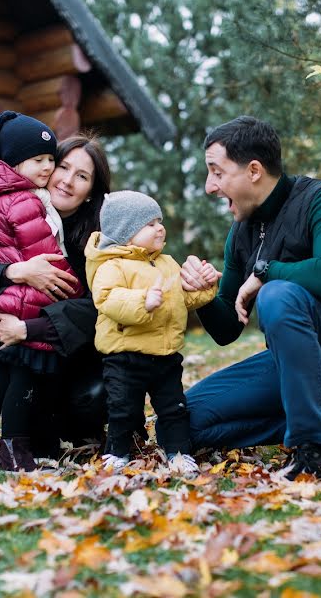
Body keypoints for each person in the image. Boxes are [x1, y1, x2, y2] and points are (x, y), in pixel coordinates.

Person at [180, 116, 321, 480]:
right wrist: (203, 297)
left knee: (280, 293)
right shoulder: (240, 232)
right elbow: (228, 328)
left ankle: (313, 448)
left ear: (254, 170)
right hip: (291, 364)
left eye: (216, 172)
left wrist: (265, 272)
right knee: (184, 421)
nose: (208, 187)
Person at [0, 132, 112, 465]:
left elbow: (100, 309)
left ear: (90, 193)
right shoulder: (19, 219)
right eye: (62, 167)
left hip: (69, 362)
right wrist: (17, 271)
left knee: (90, 396)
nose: (67, 181)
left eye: (81, 176)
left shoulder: (100, 241)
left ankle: (58, 430)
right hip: (13, 358)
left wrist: (27, 329)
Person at [85, 191, 217, 476]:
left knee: (174, 408)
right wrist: (141, 301)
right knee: (122, 408)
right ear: (126, 233)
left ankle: (178, 452)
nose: (159, 228)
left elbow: (184, 298)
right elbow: (106, 299)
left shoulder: (167, 262)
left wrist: (203, 287)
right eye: (149, 223)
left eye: (159, 221)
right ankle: (116, 452)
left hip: (165, 355)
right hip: (125, 356)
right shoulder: (112, 265)